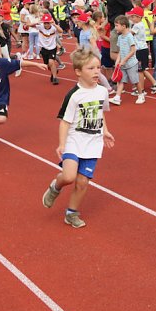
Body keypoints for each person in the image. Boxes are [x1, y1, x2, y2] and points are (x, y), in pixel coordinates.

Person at [41, 49, 115, 229]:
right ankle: (55, 187)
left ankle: (71, 213)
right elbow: (65, 122)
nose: (97, 71)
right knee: (68, 176)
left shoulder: (102, 92)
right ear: (78, 72)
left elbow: (100, 113)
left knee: (82, 182)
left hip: (93, 142)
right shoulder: (74, 95)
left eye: (98, 67)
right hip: (74, 140)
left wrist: (105, 131)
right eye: (91, 68)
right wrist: (61, 143)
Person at [0, 41, 46, 152]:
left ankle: (1, 109)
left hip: (1, 97)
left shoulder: (1, 63)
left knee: (1, 120)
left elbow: (20, 63)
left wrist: (37, 64)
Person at [101, 0, 134, 64]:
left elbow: (129, 7)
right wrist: (103, 25)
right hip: (113, 26)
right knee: (117, 54)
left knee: (114, 54)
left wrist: (122, 25)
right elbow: (112, 12)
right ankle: (123, 72)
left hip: (118, 28)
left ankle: (131, 65)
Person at [109, 15, 137, 105]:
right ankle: (117, 97)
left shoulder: (129, 36)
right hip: (123, 64)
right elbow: (120, 50)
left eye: (117, 25)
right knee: (121, 80)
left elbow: (133, 50)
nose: (115, 27)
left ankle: (141, 93)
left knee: (135, 81)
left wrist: (124, 60)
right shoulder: (120, 37)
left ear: (124, 26)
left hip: (131, 63)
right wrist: (118, 60)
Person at [37, 12, 61, 85]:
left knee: (51, 62)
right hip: (44, 48)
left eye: (48, 23)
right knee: (47, 65)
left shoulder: (53, 28)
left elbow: (61, 31)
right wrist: (39, 21)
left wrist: (54, 24)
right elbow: (28, 25)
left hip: (52, 48)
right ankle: (54, 71)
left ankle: (54, 78)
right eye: (45, 23)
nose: (46, 25)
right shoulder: (40, 27)